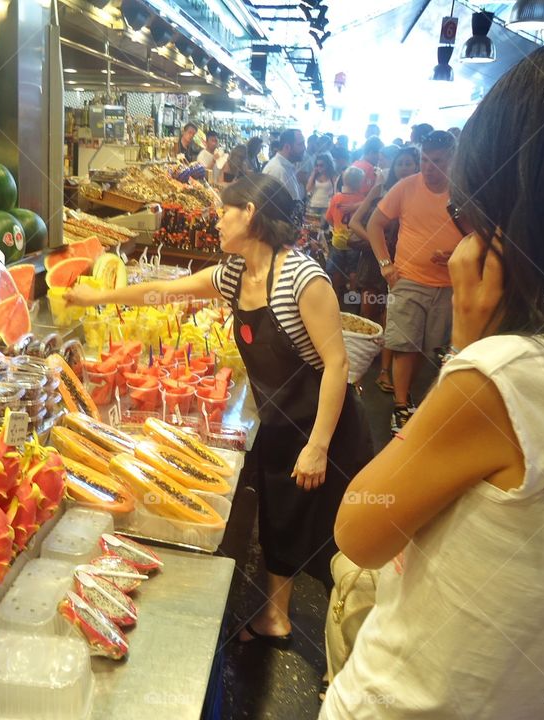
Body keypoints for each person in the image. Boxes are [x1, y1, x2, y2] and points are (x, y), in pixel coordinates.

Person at [320, 28, 544, 720]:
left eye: (473, 213)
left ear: (524, 216)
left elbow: (359, 529)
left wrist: (466, 350)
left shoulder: (520, 375)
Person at [66, 174, 373, 646]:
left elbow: (337, 364)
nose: (216, 222)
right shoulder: (234, 275)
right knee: (279, 524)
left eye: (222, 213)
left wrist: (318, 445)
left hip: (324, 426)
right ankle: (277, 619)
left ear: (249, 213)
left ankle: (358, 655)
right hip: (280, 419)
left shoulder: (302, 278)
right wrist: (97, 296)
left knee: (338, 540)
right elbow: (165, 292)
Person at [365, 131, 463, 433]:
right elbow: (374, 224)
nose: (429, 168)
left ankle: (415, 403)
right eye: (424, 160)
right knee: (405, 344)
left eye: (437, 162)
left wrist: (458, 254)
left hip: (449, 285)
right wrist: (386, 265)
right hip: (407, 279)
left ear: (452, 161)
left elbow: (480, 235)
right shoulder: (406, 187)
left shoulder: (464, 191)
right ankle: (401, 404)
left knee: (432, 348)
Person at [348, 146, 419, 392]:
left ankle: (384, 371)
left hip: (404, 263)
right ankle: (360, 361)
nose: (404, 168)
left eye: (409, 163)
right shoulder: (380, 190)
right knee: (368, 313)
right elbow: (355, 222)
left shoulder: (420, 193)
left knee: (391, 317)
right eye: (400, 163)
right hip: (374, 261)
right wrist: (377, 243)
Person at [324, 166, 367, 302]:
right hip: (355, 240)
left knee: (336, 268)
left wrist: (336, 226)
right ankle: (352, 297)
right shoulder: (362, 199)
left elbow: (328, 218)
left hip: (338, 240)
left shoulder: (336, 198)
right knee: (354, 270)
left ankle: (335, 294)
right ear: (360, 183)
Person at [262, 128, 306, 202]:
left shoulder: (286, 167)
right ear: (287, 147)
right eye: (300, 144)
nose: (304, 148)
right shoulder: (278, 169)